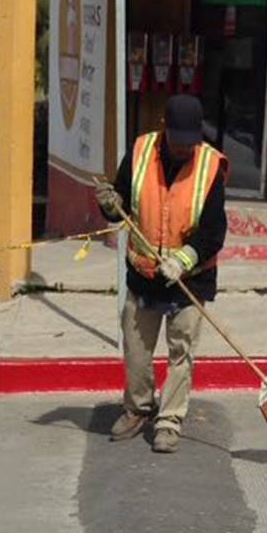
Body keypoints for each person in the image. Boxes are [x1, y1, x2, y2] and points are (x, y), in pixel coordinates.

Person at [95, 94, 228, 454]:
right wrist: (110, 205)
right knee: (136, 348)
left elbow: (214, 232)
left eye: (191, 141)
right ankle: (139, 408)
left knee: (181, 351)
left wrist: (183, 259)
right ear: (164, 128)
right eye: (178, 140)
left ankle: (169, 420)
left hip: (189, 279)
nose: (185, 148)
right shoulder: (140, 151)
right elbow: (120, 202)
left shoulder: (210, 166)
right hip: (143, 275)